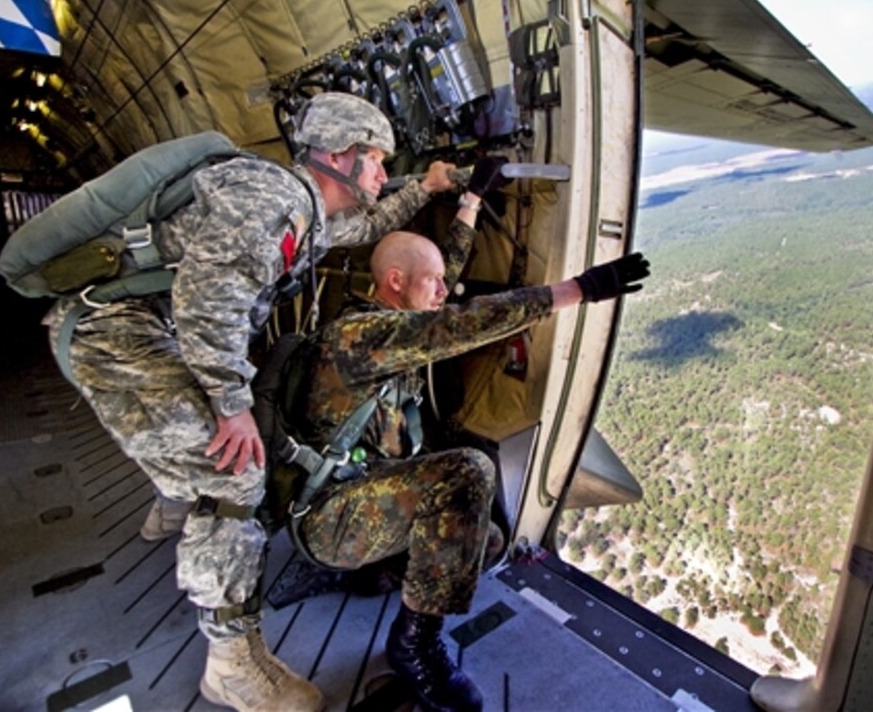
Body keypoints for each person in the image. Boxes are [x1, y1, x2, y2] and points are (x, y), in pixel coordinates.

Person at [42, 92, 458, 712]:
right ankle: (232, 664)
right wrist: (230, 404)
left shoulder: (310, 212)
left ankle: (173, 498)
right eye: (375, 158)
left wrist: (426, 187)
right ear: (339, 155)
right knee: (232, 471)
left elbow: (369, 226)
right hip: (114, 329)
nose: (381, 172)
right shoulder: (271, 199)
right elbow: (209, 304)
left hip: (154, 328)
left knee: (210, 441)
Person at [288, 156, 650, 711]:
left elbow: (445, 274)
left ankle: (379, 570)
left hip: (368, 491)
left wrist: (472, 199)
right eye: (431, 283)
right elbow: (458, 320)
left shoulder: (397, 320)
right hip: (329, 516)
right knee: (467, 472)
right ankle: (415, 647)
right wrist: (578, 289)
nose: (444, 290)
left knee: (488, 544)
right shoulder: (360, 336)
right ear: (394, 283)